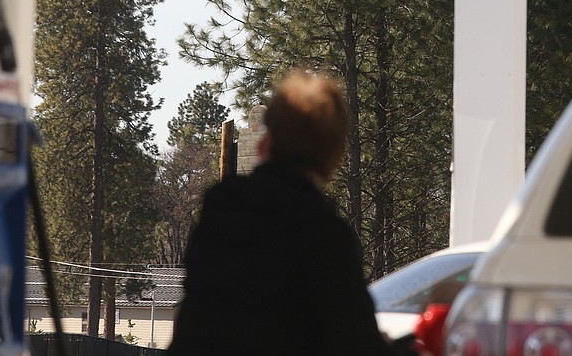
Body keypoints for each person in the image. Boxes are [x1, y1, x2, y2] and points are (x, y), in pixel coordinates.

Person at [168, 69, 404, 356]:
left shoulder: (219, 211)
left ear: (266, 142)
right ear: (332, 154)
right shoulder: (323, 233)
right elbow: (354, 341)